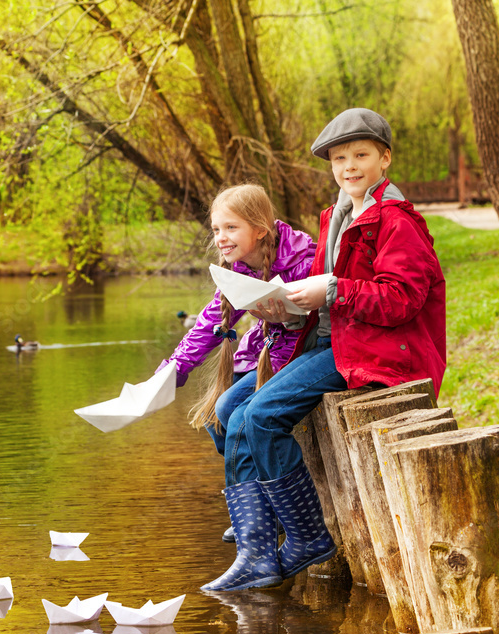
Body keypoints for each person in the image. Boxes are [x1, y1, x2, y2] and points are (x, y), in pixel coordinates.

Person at [202, 108, 447, 591]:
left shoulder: (397, 223)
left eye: (361, 155)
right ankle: (257, 539)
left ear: (384, 159)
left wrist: (332, 290)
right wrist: (286, 310)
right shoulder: (337, 216)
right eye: (340, 158)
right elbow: (323, 295)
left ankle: (308, 537)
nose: (349, 166)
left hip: (382, 351)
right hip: (339, 341)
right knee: (228, 406)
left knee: (262, 415)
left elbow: (402, 300)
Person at [155, 183, 317, 541]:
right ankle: (258, 508)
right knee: (216, 417)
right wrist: (174, 369)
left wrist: (290, 319)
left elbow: (320, 316)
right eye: (216, 230)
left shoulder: (303, 257)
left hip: (299, 354)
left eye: (231, 228)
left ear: (260, 229)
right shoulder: (240, 268)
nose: (221, 238)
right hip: (265, 350)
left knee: (233, 409)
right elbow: (208, 324)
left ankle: (264, 516)